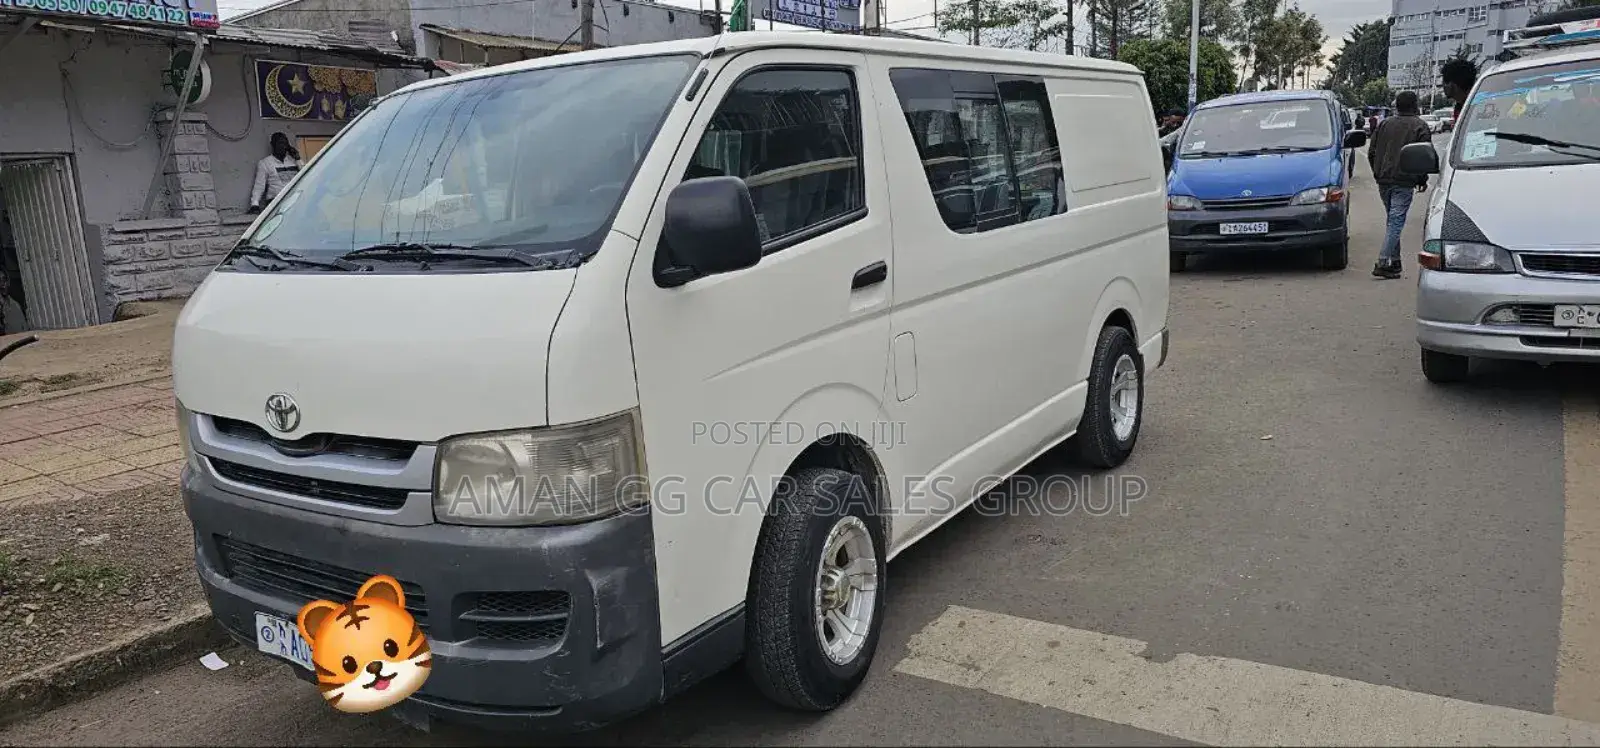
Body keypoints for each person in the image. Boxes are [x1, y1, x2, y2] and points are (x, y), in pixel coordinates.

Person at [1366, 91, 1434, 280]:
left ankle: (1394, 263)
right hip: (1404, 180)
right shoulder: (1419, 125)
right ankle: (1384, 260)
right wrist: (1421, 178)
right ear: (1415, 106)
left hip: (1384, 179)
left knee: (1392, 221)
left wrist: (1377, 172)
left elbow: (1372, 151)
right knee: (1395, 222)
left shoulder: (1384, 124)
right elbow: (1424, 156)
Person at [249, 133, 302, 213]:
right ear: (273, 145)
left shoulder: (293, 161)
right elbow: (259, 185)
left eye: (285, 144)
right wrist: (254, 204)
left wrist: (298, 158)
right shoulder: (265, 163)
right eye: (280, 143)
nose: (283, 146)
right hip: (276, 203)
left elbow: (306, 175)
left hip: (295, 201)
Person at [1441, 57, 1479, 124]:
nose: (1443, 86)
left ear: (1452, 84)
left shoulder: (1478, 106)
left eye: (1445, 82)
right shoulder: (1459, 106)